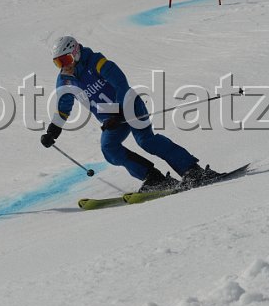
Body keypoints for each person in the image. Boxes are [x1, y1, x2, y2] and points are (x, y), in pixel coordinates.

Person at [40, 36, 219, 192]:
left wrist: (118, 112)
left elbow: (120, 84)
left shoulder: (96, 62)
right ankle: (154, 178)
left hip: (129, 105)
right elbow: (63, 107)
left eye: (66, 59)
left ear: (76, 52)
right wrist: (53, 131)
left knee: (146, 141)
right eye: (58, 63)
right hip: (110, 119)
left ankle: (192, 170)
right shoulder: (64, 80)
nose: (64, 66)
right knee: (109, 148)